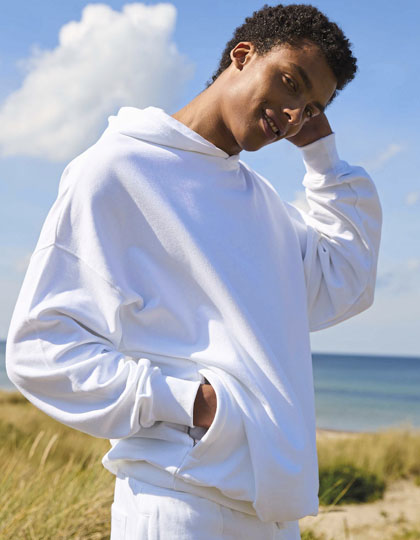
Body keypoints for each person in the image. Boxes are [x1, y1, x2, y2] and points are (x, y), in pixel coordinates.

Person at [6, 3, 382, 539]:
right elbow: (41, 348)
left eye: (311, 107)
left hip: (272, 512)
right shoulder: (117, 169)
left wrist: (323, 157)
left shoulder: (262, 203)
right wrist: (193, 403)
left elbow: (346, 281)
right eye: (290, 81)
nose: (293, 113)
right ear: (243, 55)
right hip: (179, 499)